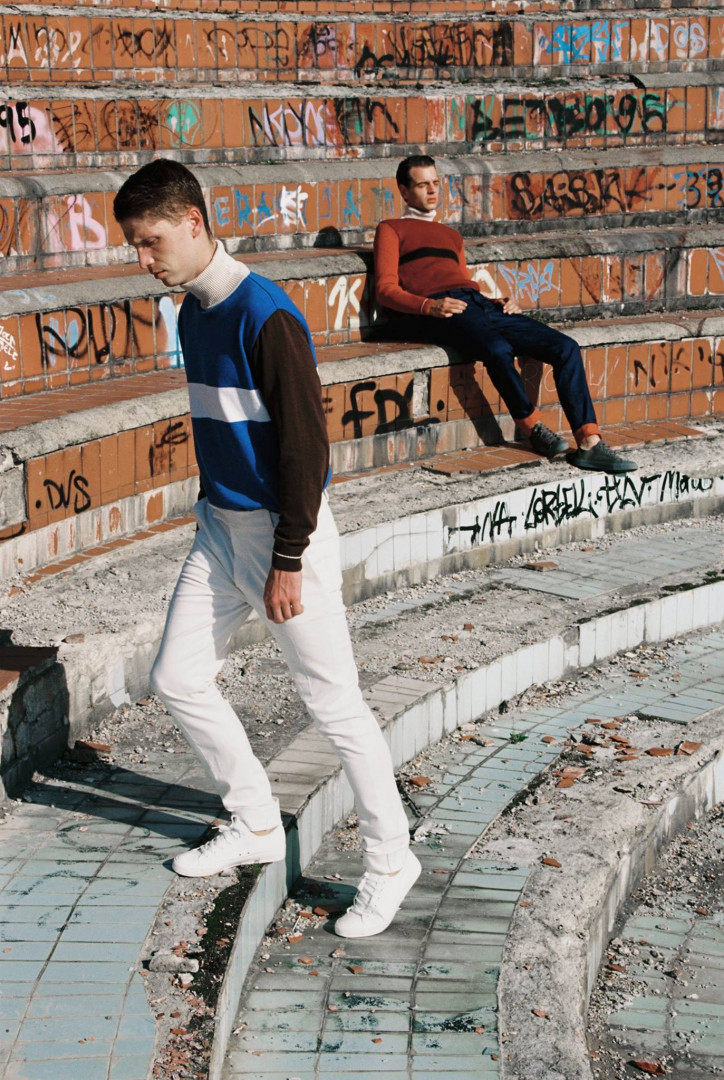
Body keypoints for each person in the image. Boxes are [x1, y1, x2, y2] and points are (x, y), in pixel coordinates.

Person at [113, 159, 420, 938]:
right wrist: (217, 517)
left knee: (334, 704)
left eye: (151, 241)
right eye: (135, 245)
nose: (143, 259)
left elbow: (306, 450)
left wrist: (288, 558)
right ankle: (253, 820)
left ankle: (391, 859)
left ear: (192, 223)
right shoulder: (192, 313)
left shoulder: (266, 315)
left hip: (285, 534)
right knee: (177, 676)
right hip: (220, 527)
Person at [374, 155, 636, 474]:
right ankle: (532, 426)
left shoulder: (451, 236)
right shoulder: (391, 229)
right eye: (422, 184)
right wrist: (429, 306)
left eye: (436, 183)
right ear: (404, 191)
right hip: (442, 308)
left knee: (565, 347)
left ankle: (590, 442)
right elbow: (385, 289)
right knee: (497, 349)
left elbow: (460, 281)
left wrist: (495, 300)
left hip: (478, 303)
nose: (432, 191)